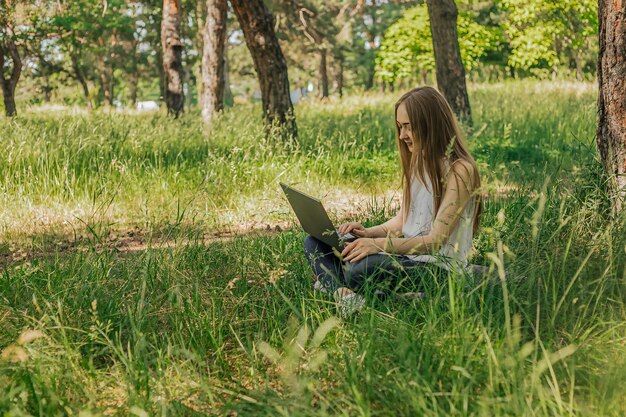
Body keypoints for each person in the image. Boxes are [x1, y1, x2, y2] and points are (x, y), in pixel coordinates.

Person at [303, 86, 482, 315]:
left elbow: (436, 240)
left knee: (363, 267)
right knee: (315, 241)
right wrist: (367, 234)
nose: (402, 135)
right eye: (400, 127)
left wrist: (377, 245)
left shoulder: (460, 170)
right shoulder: (419, 163)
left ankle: (336, 285)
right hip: (406, 257)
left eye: (408, 126)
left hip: (439, 270)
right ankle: (344, 294)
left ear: (431, 123)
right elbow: (401, 222)